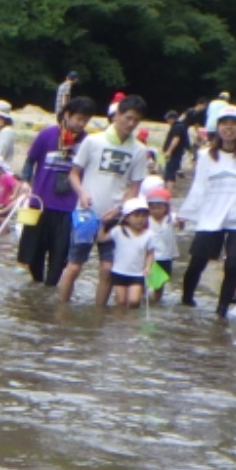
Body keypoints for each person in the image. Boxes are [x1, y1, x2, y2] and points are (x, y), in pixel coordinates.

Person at [176, 103, 236, 316]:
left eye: (234, 124)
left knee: (232, 265)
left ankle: (221, 311)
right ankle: (186, 300)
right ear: (217, 127)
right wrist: (184, 213)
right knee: (197, 261)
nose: (229, 129)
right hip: (211, 215)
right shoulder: (205, 154)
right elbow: (199, 187)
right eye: (224, 124)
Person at [69, 94, 151, 307]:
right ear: (117, 116)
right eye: (128, 118)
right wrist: (82, 193)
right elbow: (74, 173)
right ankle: (60, 312)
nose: (131, 124)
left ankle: (98, 317)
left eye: (136, 120)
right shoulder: (93, 141)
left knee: (107, 270)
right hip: (86, 213)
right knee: (74, 267)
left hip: (115, 218)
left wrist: (120, 209)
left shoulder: (139, 150)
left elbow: (135, 186)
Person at [100, 198, 155, 309]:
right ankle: (121, 323)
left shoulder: (149, 235)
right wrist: (102, 224)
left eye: (144, 216)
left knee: (134, 301)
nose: (140, 219)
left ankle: (131, 323)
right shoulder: (118, 231)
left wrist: (148, 267)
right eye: (136, 216)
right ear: (127, 217)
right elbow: (101, 239)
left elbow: (150, 253)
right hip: (119, 272)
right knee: (121, 301)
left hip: (137, 274)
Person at [141, 177, 179, 302]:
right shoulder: (146, 221)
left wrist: (181, 222)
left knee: (161, 281)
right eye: (153, 207)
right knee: (145, 279)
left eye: (159, 207)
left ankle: (157, 299)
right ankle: (143, 296)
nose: (156, 210)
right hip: (151, 256)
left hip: (166, 257)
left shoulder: (170, 219)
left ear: (166, 208)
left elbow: (179, 223)